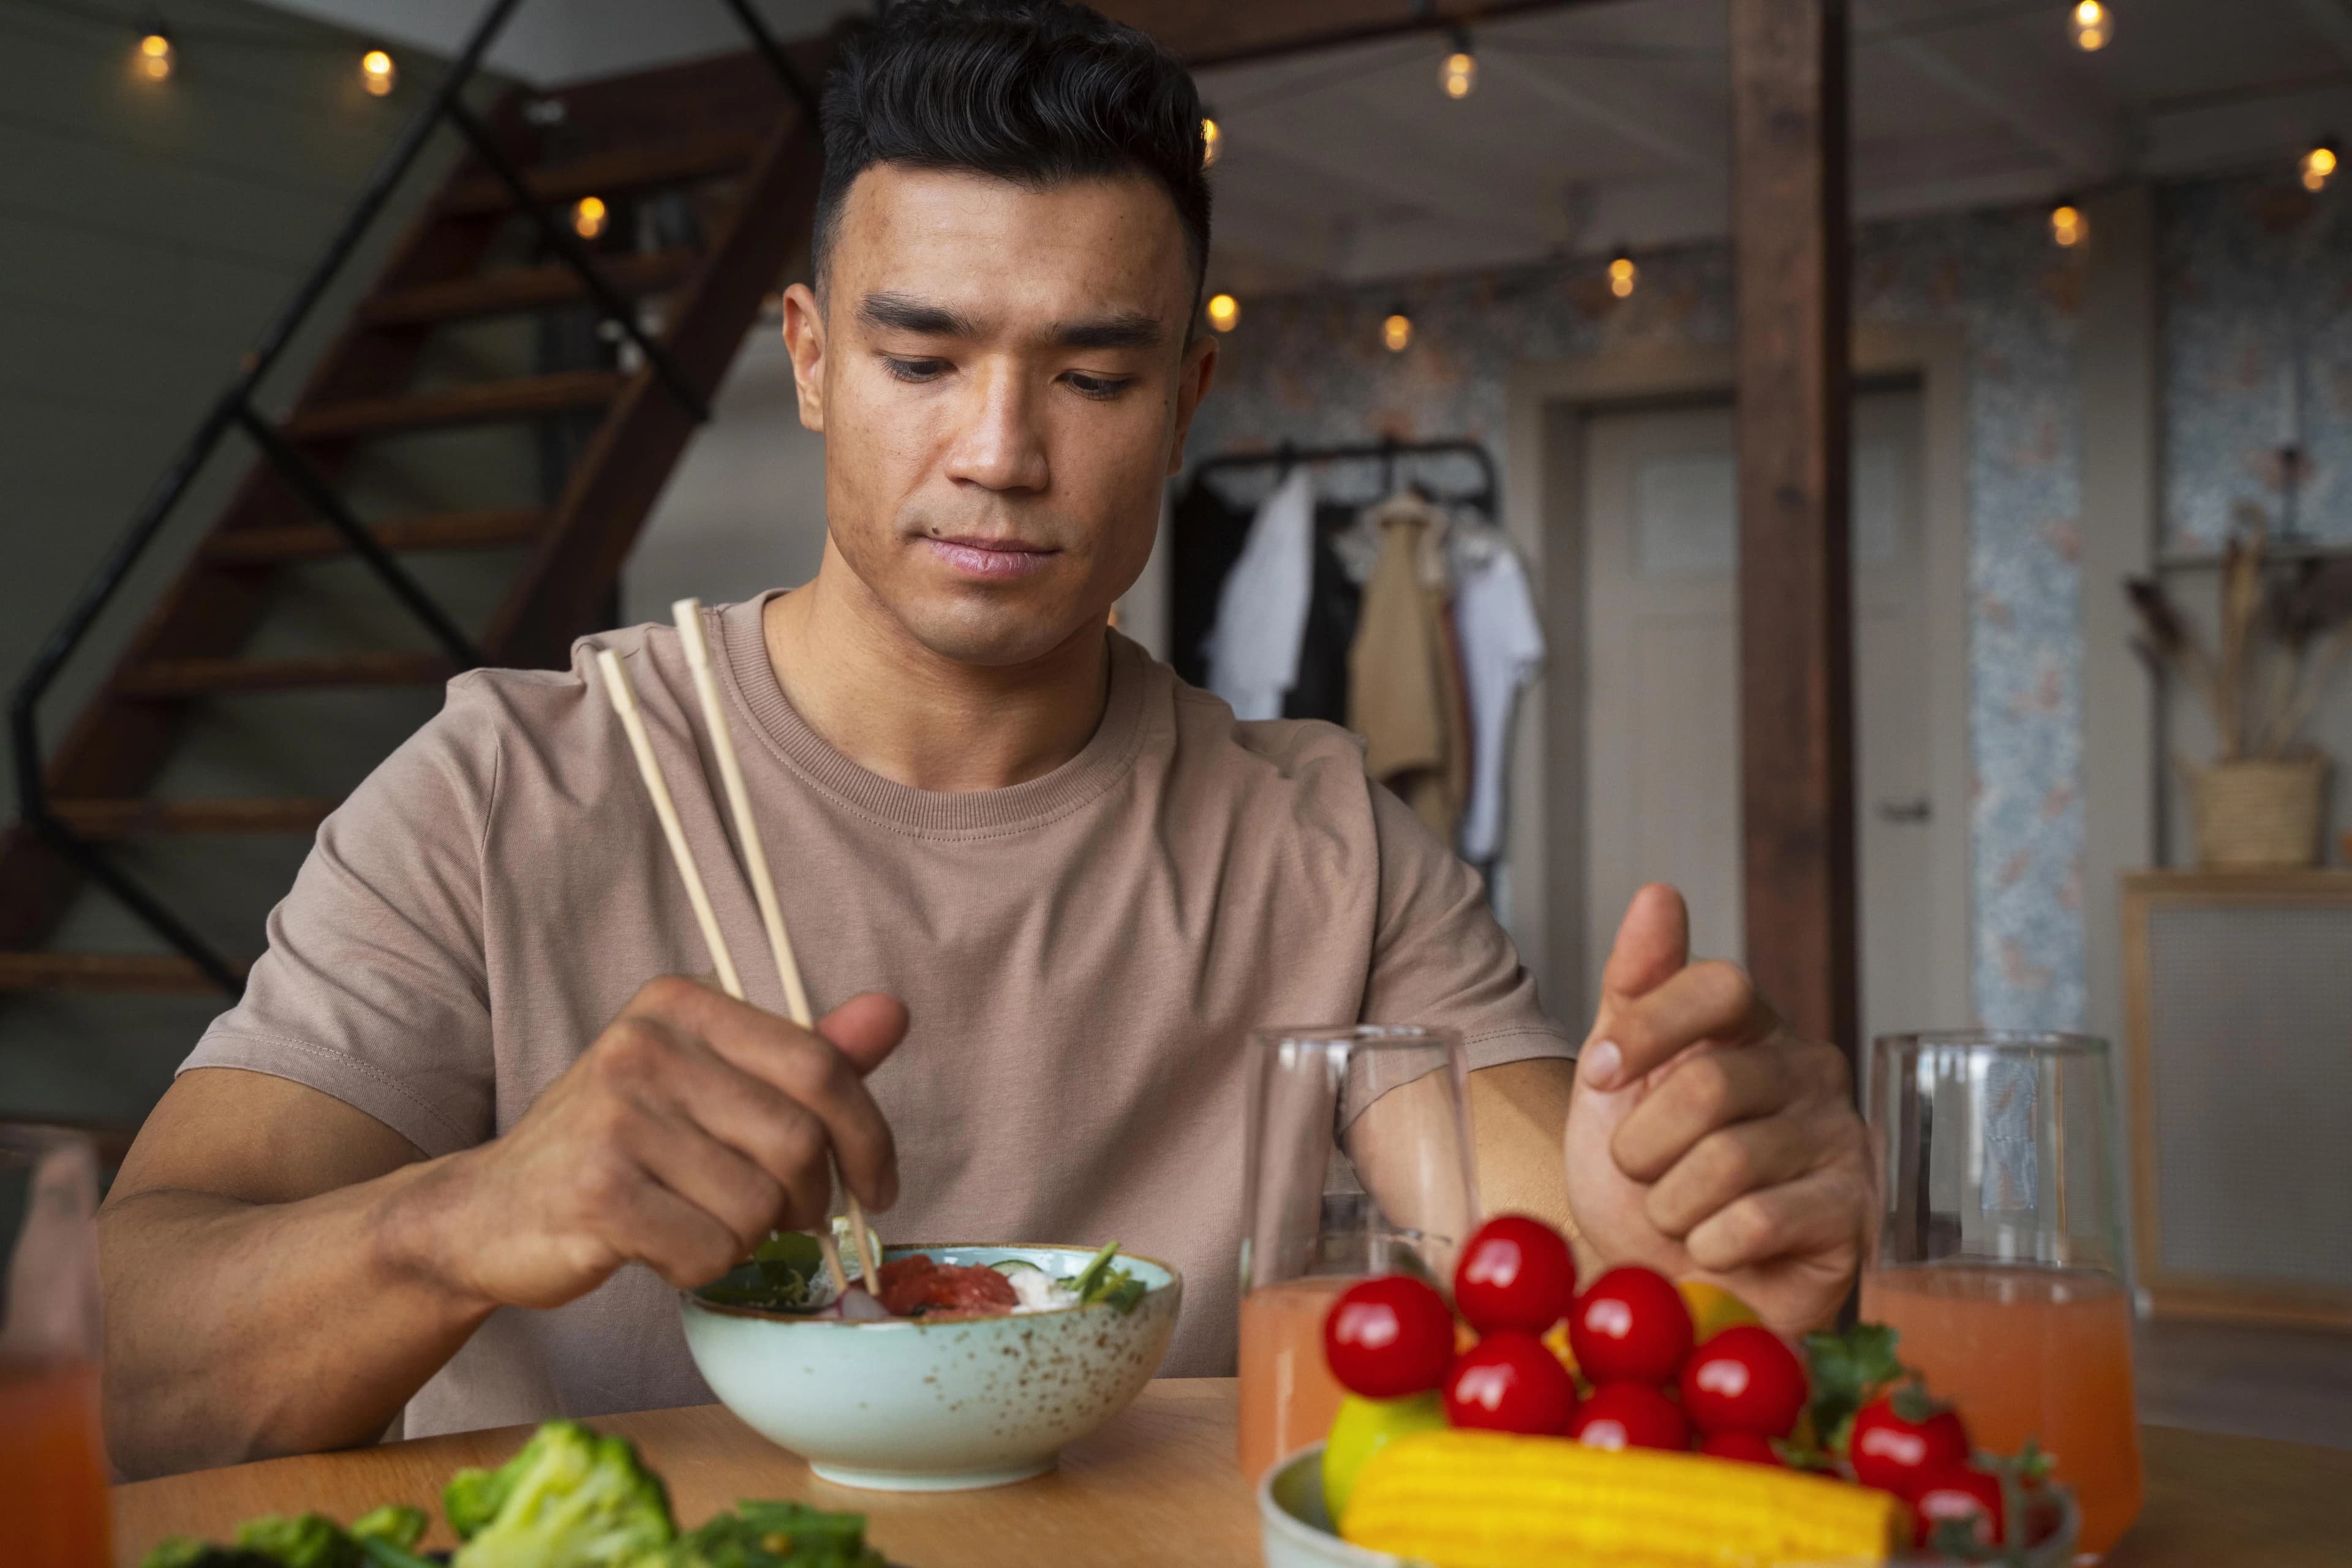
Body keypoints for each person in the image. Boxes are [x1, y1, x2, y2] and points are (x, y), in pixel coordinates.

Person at [96, 0, 1869, 1479]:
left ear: (1182, 400)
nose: (1004, 452)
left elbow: (1576, 1262)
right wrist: (459, 1217)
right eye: (923, 361)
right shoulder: (507, 792)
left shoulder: (1323, 847)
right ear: (806, 360)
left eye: (1092, 378)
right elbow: (122, 1371)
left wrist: (1701, 1216)